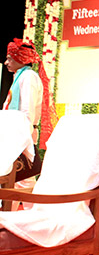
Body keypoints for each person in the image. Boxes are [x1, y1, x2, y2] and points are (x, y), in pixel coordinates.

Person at [3, 39, 55, 209]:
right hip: (16, 134)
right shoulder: (20, 76)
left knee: (23, 178)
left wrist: (21, 138)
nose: (6, 62)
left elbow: (27, 112)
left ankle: (31, 215)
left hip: (22, 134)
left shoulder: (28, 77)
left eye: (10, 58)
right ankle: (14, 216)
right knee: (16, 179)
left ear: (21, 58)